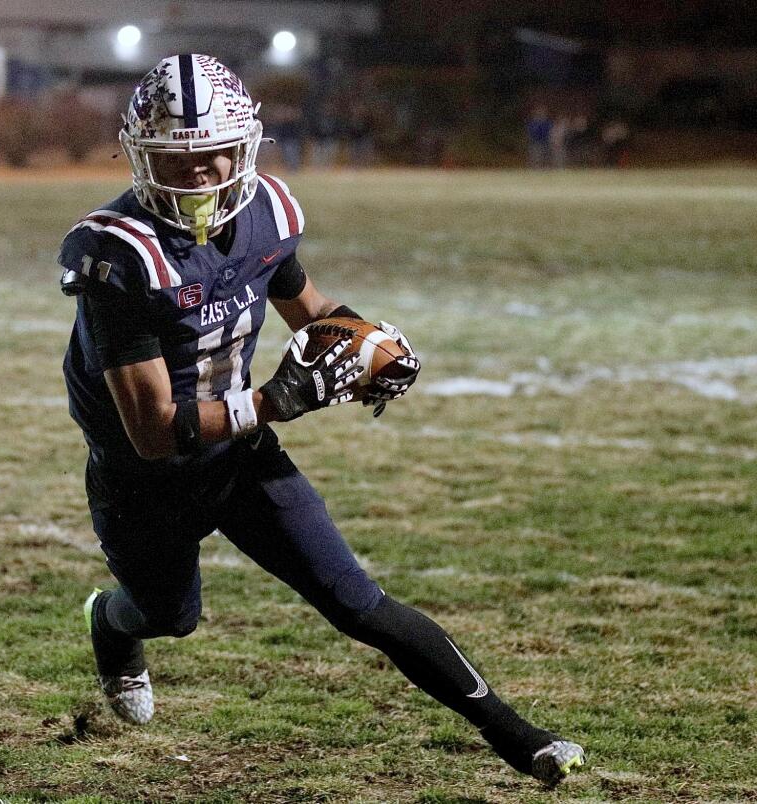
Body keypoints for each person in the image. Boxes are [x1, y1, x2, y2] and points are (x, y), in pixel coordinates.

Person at [59, 54, 587, 788]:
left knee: (357, 602)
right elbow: (152, 429)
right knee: (168, 616)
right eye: (178, 161)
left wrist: (374, 346)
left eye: (214, 154)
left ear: (242, 146)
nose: (203, 176)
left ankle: (517, 736)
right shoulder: (117, 255)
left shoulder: (265, 213)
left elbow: (312, 311)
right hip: (143, 479)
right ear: (142, 157)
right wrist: (276, 401)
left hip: (238, 455)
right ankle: (110, 624)